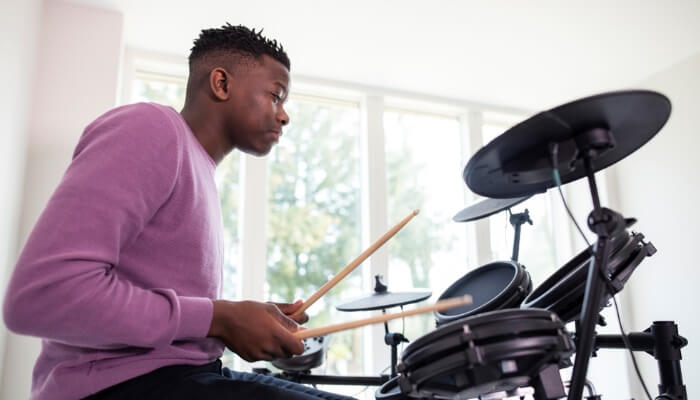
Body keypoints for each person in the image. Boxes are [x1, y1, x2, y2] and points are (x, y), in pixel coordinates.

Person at [3, 23, 356, 400]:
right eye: (276, 95)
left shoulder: (197, 166)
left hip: (191, 375)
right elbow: (43, 295)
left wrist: (238, 319)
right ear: (221, 84)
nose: (284, 116)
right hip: (122, 386)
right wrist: (219, 317)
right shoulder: (151, 128)